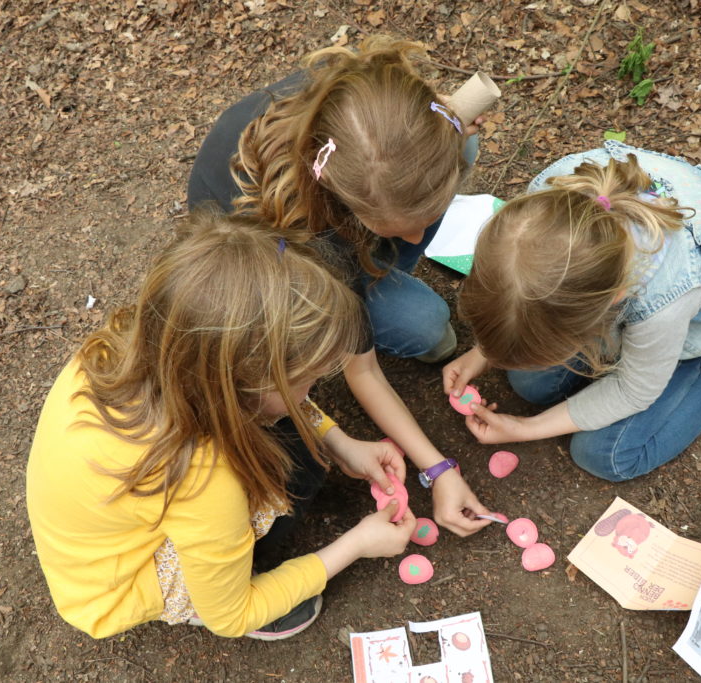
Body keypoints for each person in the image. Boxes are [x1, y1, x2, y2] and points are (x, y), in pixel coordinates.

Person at [26, 213, 415, 640]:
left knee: (297, 451)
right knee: (285, 479)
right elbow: (230, 617)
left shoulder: (145, 340)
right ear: (241, 380)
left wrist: (337, 440)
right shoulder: (203, 478)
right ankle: (213, 587)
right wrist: (358, 544)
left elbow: (274, 398)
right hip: (112, 589)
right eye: (306, 379)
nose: (310, 391)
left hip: (93, 537)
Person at [188, 35, 491, 535]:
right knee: (429, 330)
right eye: (399, 228)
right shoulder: (312, 245)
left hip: (345, 215)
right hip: (278, 245)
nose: (420, 238)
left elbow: (436, 145)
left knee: (466, 140)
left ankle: (386, 252)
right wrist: (437, 468)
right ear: (349, 208)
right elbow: (363, 373)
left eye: (427, 218)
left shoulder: (377, 114)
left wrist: (452, 135)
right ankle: (374, 280)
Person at [443, 141, 701, 481]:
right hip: (636, 292)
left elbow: (634, 391)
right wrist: (486, 351)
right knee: (530, 382)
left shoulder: (663, 301)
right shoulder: (541, 208)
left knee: (604, 454)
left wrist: (527, 428)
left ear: (611, 303)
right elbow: (519, 295)